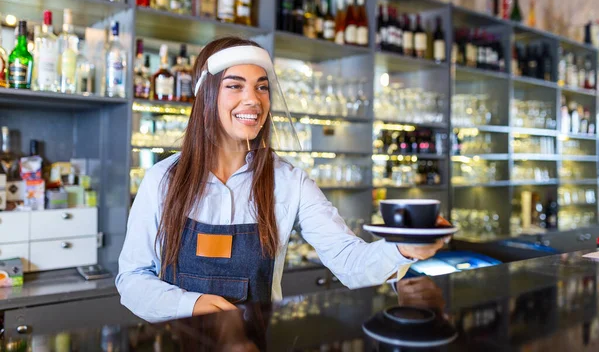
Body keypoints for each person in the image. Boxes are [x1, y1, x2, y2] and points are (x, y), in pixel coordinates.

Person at [116, 36, 449, 323]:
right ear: (206, 97)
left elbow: (350, 263)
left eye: (262, 88)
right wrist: (191, 304)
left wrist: (403, 250)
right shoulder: (163, 179)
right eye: (235, 86)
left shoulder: (290, 182)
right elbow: (132, 280)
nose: (253, 99)